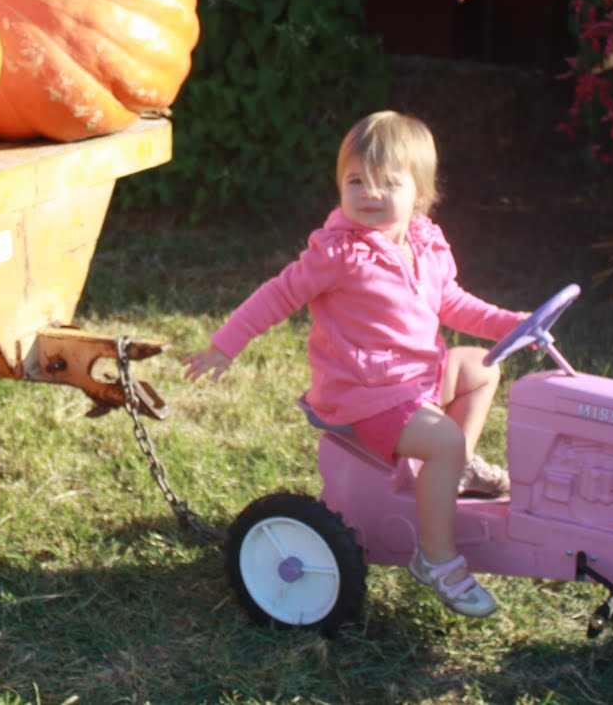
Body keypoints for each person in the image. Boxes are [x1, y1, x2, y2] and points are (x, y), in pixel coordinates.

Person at [184, 110, 526, 618]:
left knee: (481, 367)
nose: (369, 193)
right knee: (444, 440)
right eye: (355, 181)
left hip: (416, 380)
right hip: (366, 393)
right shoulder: (340, 253)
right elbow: (278, 294)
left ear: (421, 194)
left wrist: (505, 324)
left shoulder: (424, 244)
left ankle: (452, 471)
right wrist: (225, 344)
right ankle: (436, 556)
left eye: (387, 183)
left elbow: (449, 301)